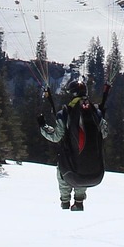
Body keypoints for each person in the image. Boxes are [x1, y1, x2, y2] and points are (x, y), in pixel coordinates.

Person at [39, 77, 109, 211]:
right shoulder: (96, 112)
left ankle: (65, 202)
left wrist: (43, 126)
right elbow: (104, 133)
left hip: (74, 173)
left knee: (63, 166)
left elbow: (56, 137)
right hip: (95, 174)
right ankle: (79, 201)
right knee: (84, 158)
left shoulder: (65, 113)